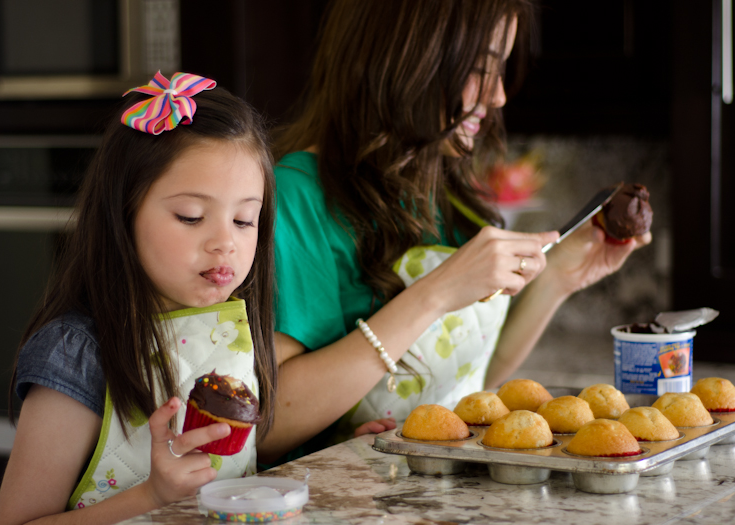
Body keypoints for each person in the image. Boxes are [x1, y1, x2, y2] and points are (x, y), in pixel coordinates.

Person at [257, 0, 651, 464]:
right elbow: (268, 424)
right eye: (480, 68)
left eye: (501, 69)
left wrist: (561, 278)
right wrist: (436, 293)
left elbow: (467, 384)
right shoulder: (297, 199)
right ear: (405, 58)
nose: (500, 95)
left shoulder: (441, 195)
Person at [0, 73, 278, 525]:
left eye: (244, 220)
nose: (225, 242)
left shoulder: (232, 334)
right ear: (123, 214)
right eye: (191, 216)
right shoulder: (76, 352)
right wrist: (152, 496)